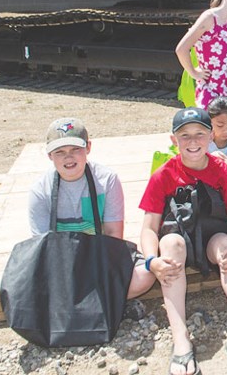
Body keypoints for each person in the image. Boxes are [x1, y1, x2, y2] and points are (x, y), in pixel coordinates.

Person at [139, 108, 227, 373]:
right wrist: (152, 261)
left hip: (212, 239)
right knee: (171, 245)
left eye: (199, 134)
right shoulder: (163, 175)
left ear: (210, 136)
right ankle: (181, 339)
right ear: (174, 140)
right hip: (179, 242)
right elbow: (149, 228)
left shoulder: (222, 172)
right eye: (185, 136)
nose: (193, 141)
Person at [28, 118, 156, 299]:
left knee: (145, 275)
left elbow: (113, 234)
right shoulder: (40, 190)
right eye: (60, 152)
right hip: (62, 260)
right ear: (49, 155)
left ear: (88, 147)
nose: (68, 157)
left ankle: (88, 300)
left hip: (100, 253)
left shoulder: (107, 180)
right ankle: (106, 300)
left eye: (75, 150)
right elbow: (42, 245)